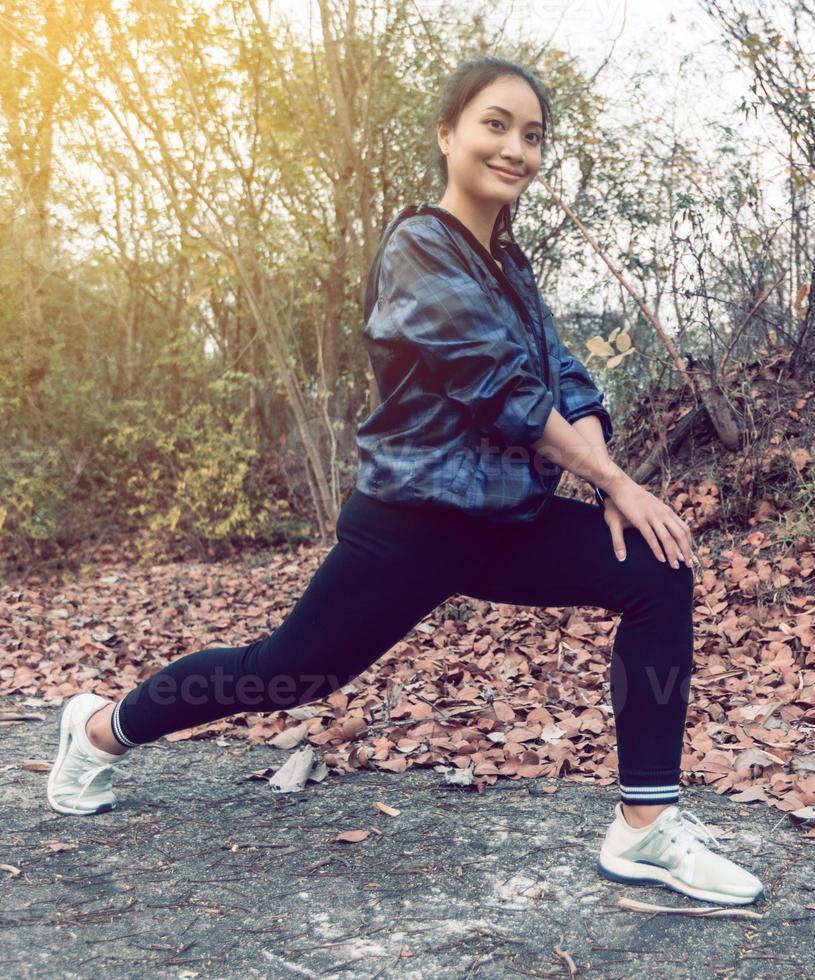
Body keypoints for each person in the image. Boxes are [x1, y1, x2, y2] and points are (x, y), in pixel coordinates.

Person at [45, 55, 764, 906]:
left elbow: (565, 378)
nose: (515, 149)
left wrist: (609, 482)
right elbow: (502, 389)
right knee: (288, 676)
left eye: (532, 135)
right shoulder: (418, 247)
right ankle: (97, 729)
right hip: (410, 528)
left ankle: (646, 827)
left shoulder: (511, 265)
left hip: (505, 527)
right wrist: (612, 477)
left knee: (657, 570)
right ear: (448, 135)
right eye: (495, 125)